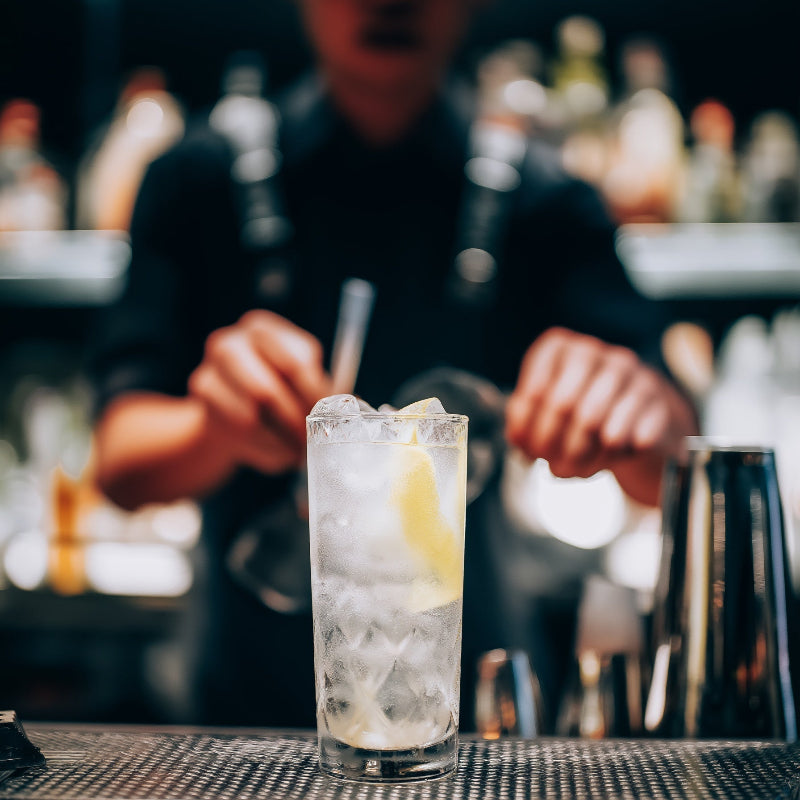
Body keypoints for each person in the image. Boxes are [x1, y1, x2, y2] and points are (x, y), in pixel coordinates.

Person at [90, 0, 697, 729]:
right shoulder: (195, 185)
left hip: (468, 706)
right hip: (235, 715)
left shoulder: (548, 202)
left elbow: (676, 459)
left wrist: (635, 408)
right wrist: (213, 425)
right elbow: (120, 461)